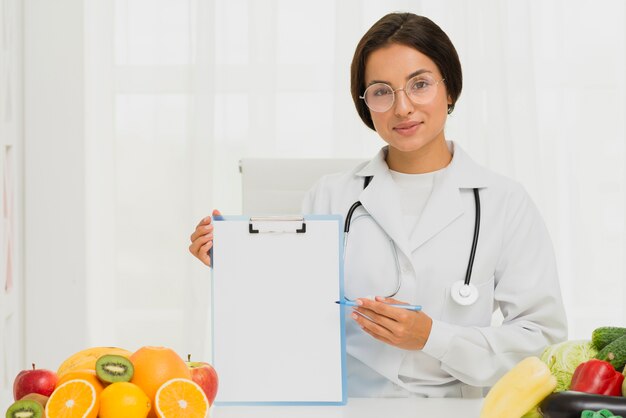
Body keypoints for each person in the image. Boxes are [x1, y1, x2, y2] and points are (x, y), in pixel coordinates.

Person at [189, 12, 567, 398]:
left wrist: (432, 337)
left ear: (450, 90)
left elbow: (542, 340)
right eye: (382, 91)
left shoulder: (504, 202)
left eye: (419, 84)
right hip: (349, 403)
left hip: (457, 407)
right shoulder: (330, 196)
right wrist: (238, 264)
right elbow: (293, 313)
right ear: (366, 104)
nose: (402, 107)